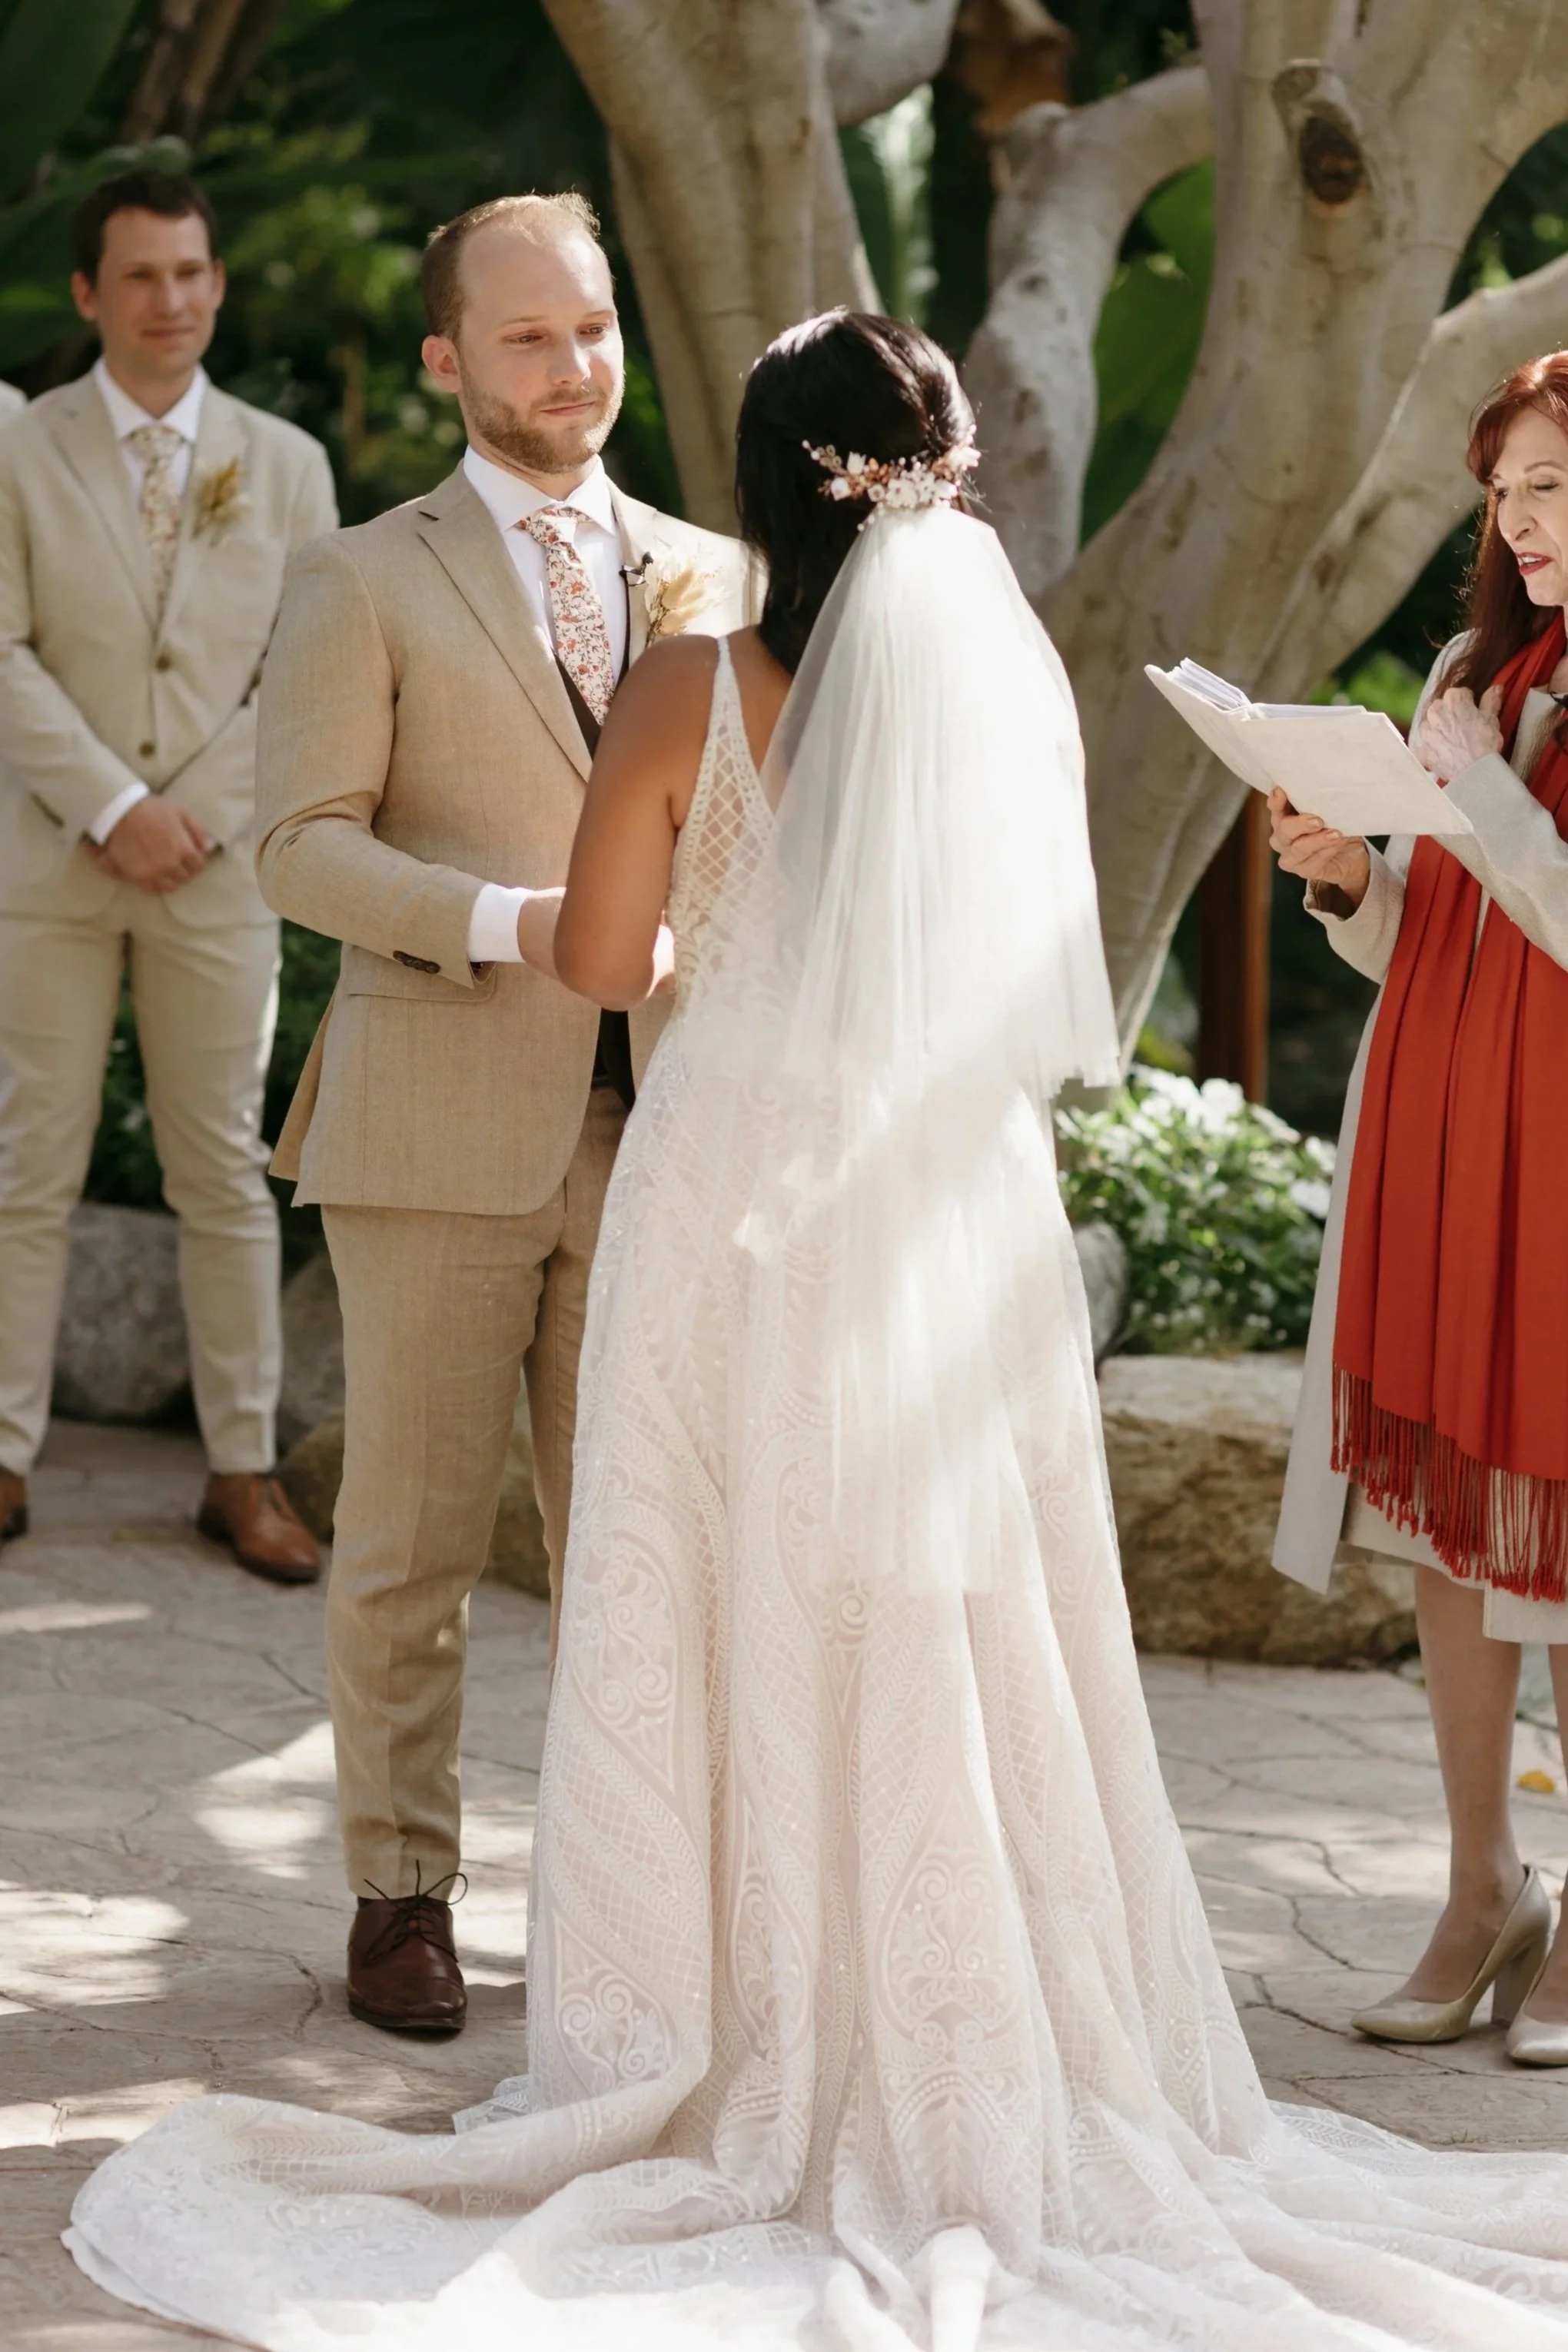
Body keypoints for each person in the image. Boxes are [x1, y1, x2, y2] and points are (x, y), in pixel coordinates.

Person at [65, 311, 1568, 2352]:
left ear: (767, 479)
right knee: (958, 1620)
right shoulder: (1011, 676)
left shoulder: (695, 678)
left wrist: (690, 904)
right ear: (936, 472)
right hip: (951, 1205)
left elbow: (606, 956)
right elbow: (1044, 976)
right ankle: (978, 2038)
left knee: (726, 1586)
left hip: (737, 1185)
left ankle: (730, 2026)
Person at [248, 193, 754, 2039]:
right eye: (531, 337)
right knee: (413, 1538)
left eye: (597, 328)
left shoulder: (717, 571)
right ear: (451, 356)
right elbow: (297, 845)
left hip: (662, 1134)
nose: (577, 369)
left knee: (643, 1539)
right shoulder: (362, 575)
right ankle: (403, 1896)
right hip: (436, 1114)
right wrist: (507, 923)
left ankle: (633, 1907)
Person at [1273, 349, 1568, 2066]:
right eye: (1509, 491)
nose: (1522, 524)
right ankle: (1481, 1891)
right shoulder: (1479, 667)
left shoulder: (1488, 720)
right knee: (1448, 1529)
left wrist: (1479, 792)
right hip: (1438, 1137)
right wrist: (1351, 878)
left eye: (1552, 487)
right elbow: (1442, 931)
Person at [0, 169, 335, 1580]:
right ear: (89, 295)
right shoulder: (17, 451)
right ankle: (4, 1456)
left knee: (223, 1172)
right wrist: (108, 803)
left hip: (214, 865)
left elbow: (310, 671)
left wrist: (185, 808)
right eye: (142, 277)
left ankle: (241, 1469)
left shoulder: (288, 461)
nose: (174, 301)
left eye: (193, 272)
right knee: (28, 1164)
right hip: (47, 854)